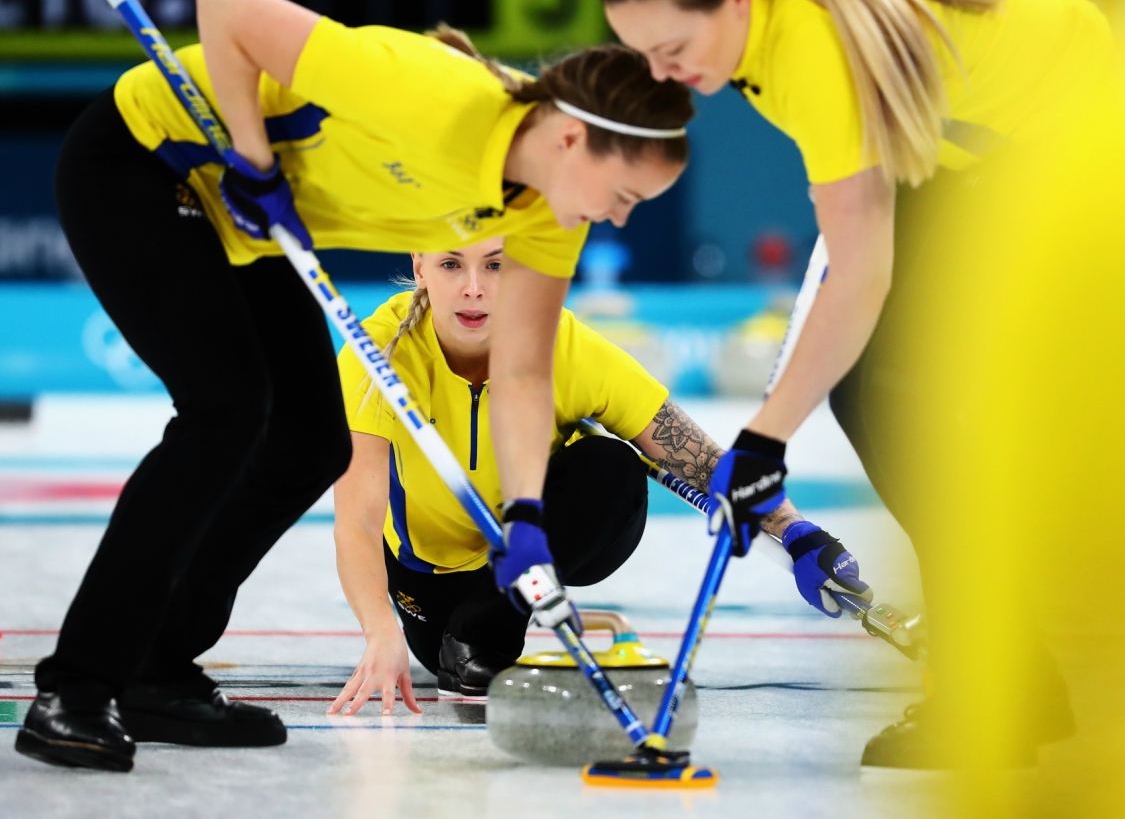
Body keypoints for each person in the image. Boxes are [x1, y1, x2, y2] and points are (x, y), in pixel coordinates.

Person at [16, 0, 693, 772]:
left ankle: (157, 669)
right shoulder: (432, 93)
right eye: (623, 195)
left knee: (308, 439)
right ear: (575, 141)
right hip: (147, 160)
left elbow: (520, 375)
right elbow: (225, 6)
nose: (620, 217)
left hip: (252, 220)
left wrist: (527, 518)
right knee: (226, 411)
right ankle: (77, 687)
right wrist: (251, 152)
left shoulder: (545, 215)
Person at [599, 0, 1112, 767]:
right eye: (644, 55)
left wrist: (764, 442)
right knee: (882, 395)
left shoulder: (809, 47)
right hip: (979, 155)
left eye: (673, 48)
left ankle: (1001, 689)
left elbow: (862, 274)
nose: (662, 74)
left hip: (1083, 144)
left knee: (895, 400)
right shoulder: (771, 11)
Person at [327, 238, 873, 713]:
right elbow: (357, 520)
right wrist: (380, 631)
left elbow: (695, 455)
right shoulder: (377, 356)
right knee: (442, 649)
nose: (473, 288)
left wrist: (799, 534)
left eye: (496, 265)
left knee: (613, 466)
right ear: (419, 266)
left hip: (527, 553)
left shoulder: (563, 344)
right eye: (451, 265)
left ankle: (491, 620)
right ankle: (467, 631)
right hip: (430, 577)